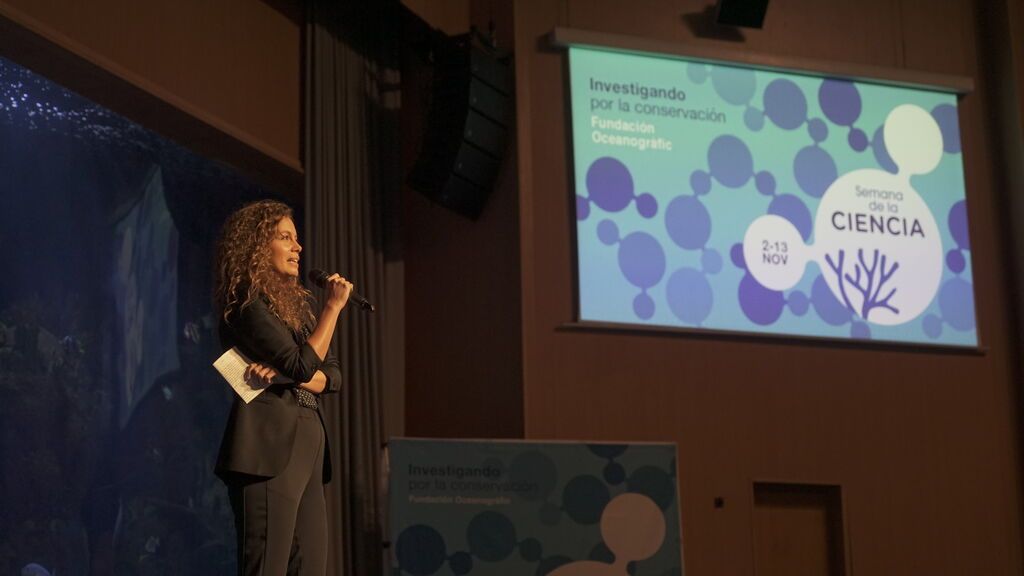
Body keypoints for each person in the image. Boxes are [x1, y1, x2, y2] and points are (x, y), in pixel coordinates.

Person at [213, 200, 351, 576]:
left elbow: (334, 376)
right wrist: (333, 308)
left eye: (297, 238)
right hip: (268, 444)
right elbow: (304, 364)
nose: (298, 248)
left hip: (308, 438)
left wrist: (284, 374)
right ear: (259, 246)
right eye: (285, 237)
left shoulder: (296, 310)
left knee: (311, 567)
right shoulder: (246, 300)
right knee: (268, 567)